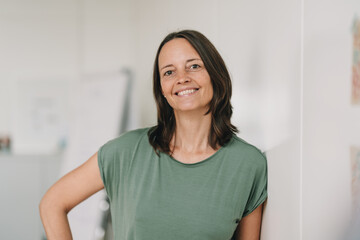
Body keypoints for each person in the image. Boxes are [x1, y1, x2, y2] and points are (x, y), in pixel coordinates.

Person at [39, 29, 268, 240]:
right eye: (169, 72)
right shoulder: (126, 152)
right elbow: (53, 202)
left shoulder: (248, 164)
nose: (182, 77)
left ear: (215, 75)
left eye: (194, 66)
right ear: (162, 90)